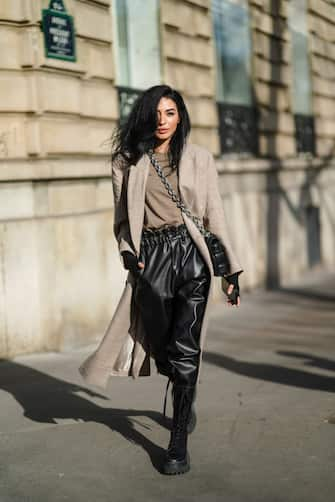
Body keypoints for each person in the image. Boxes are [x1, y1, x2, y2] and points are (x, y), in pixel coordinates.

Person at [79, 84, 243, 475]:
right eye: (156, 113)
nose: (163, 120)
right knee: (162, 347)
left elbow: (214, 214)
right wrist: (127, 252)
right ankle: (183, 383)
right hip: (150, 260)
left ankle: (177, 446)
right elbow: (121, 219)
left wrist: (229, 271)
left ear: (180, 116)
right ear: (145, 116)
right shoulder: (126, 161)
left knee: (186, 350)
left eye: (170, 113)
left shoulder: (199, 158)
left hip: (191, 255)